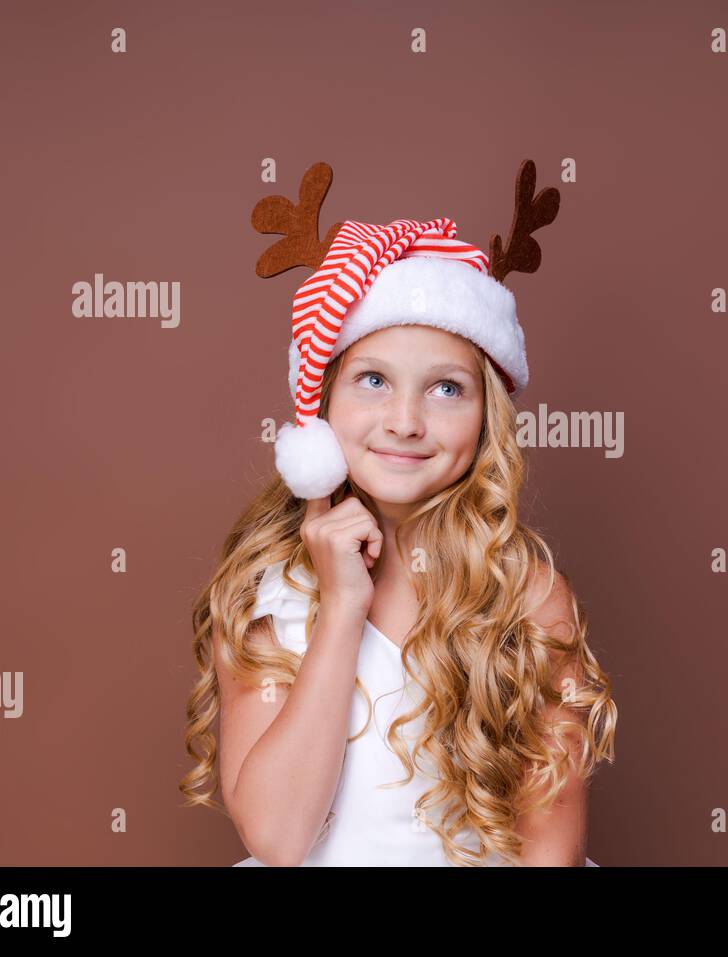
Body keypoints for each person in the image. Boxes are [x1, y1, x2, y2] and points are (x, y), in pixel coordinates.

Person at [179, 192, 617, 866]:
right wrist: (342, 606)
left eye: (446, 388)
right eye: (373, 380)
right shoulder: (270, 593)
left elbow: (549, 850)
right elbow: (277, 836)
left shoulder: (528, 599)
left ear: (485, 417)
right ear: (320, 405)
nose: (406, 421)